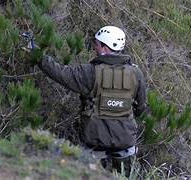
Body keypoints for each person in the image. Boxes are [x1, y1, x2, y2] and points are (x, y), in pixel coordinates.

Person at [36, 26, 147, 174]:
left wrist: (37, 55)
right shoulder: (136, 73)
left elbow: (59, 73)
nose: (94, 46)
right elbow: (141, 107)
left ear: (104, 47)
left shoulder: (90, 72)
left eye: (96, 43)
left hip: (95, 141)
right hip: (125, 140)